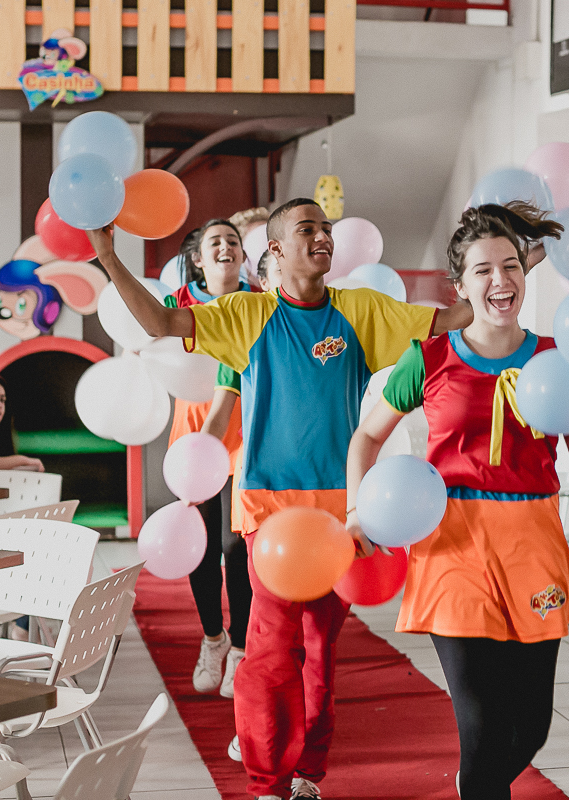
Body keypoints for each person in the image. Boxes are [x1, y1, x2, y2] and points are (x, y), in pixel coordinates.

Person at [86, 199, 477, 800]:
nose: (323, 236)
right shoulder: (246, 314)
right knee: (270, 653)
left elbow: (449, 319)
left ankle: (306, 775)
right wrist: (110, 257)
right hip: (271, 515)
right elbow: (161, 324)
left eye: (326, 228)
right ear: (274, 249)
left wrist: (500, 274)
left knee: (321, 656)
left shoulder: (361, 310)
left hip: (344, 516)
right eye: (307, 229)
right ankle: (267, 784)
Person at [347, 202, 569, 800]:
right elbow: (366, 437)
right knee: (481, 727)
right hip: (452, 546)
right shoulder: (428, 358)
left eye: (511, 266)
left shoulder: (559, 359)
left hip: (534, 542)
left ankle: (474, 785)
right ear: (459, 286)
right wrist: (358, 510)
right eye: (483, 270)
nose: (500, 281)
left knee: (530, 726)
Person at [163, 219, 256, 698]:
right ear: (198, 258)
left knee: (234, 548)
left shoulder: (260, 303)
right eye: (215, 241)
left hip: (244, 443)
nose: (226, 247)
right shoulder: (176, 304)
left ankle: (240, 649)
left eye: (233, 241)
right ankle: (213, 639)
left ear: (242, 255)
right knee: (198, 548)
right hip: (193, 443)